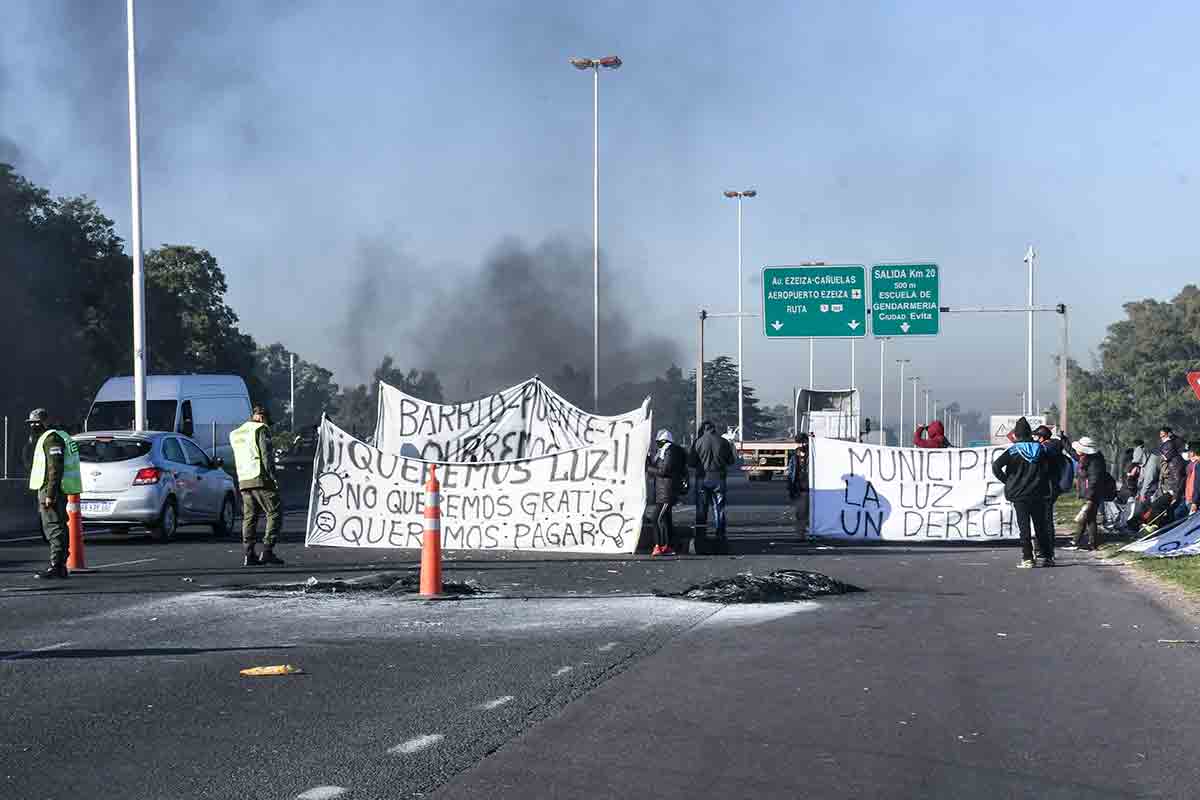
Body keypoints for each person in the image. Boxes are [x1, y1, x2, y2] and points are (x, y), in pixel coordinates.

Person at [26, 409, 82, 579]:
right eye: (31, 423)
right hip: (51, 488)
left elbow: (55, 468)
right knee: (54, 526)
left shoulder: (52, 438)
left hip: (51, 489)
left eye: (37, 422)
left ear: (45, 422)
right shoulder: (57, 435)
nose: (33, 426)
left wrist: (50, 493)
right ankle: (59, 565)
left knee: (54, 527)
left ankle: (56, 565)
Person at [991, 417, 1052, 568]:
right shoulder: (1041, 449)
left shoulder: (1012, 451)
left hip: (1019, 495)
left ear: (1017, 435)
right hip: (1038, 493)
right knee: (1040, 526)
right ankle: (1045, 557)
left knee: (1024, 527)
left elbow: (996, 467)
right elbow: (1049, 469)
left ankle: (1027, 558)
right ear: (1029, 434)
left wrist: (1008, 481)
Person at [230, 405, 284, 567]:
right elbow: (266, 456)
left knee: (250, 517)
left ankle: (249, 554)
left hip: (243, 479)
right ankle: (267, 551)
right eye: (267, 420)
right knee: (274, 512)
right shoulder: (260, 429)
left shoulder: (236, 433)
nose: (268, 424)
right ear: (261, 416)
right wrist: (273, 477)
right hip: (260, 477)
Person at [688, 420, 736, 553]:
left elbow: (691, 462)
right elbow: (731, 461)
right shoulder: (723, 442)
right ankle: (720, 534)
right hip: (719, 478)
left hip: (702, 479)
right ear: (714, 429)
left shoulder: (698, 442)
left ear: (704, 429)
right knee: (719, 508)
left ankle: (701, 534)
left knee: (701, 509)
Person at [1031, 425, 1069, 562]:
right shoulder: (1051, 446)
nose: (1034, 439)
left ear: (1041, 437)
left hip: (1048, 489)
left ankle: (1047, 550)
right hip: (1047, 488)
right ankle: (1043, 549)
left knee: (1046, 521)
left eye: (1036, 437)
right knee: (1042, 520)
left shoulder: (1050, 447)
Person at [646, 429, 686, 557]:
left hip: (666, 492)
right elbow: (658, 467)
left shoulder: (670, 451)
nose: (658, 444)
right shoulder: (663, 451)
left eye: (659, 442)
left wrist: (648, 468)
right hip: (663, 491)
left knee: (656, 518)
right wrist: (648, 460)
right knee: (665, 520)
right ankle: (668, 546)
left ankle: (659, 545)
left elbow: (664, 470)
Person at [1071, 436, 1108, 550]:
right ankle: (1091, 543)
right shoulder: (1086, 458)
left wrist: (1089, 497)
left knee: (1084, 517)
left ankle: (1077, 541)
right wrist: (1064, 441)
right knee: (1090, 518)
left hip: (1092, 494)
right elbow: (1073, 453)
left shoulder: (1094, 461)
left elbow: (1094, 480)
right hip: (1090, 493)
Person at [1158, 427, 1188, 521]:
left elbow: (1178, 479)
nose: (1161, 438)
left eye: (1163, 435)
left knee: (1178, 502)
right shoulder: (1172, 443)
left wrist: (1175, 495)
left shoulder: (1171, 445)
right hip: (1175, 479)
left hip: (1177, 483)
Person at [785, 435, 810, 541]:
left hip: (812, 488)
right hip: (801, 489)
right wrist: (791, 487)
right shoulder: (794, 456)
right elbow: (791, 473)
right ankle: (801, 535)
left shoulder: (813, 454)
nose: (802, 445)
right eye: (800, 443)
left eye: (804, 442)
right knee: (801, 514)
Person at [1184, 442, 1200, 516]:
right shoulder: (1194, 464)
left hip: (1194, 500)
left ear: (1193, 452)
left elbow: (1197, 484)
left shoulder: (1197, 465)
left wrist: (1194, 502)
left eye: (1189, 451)